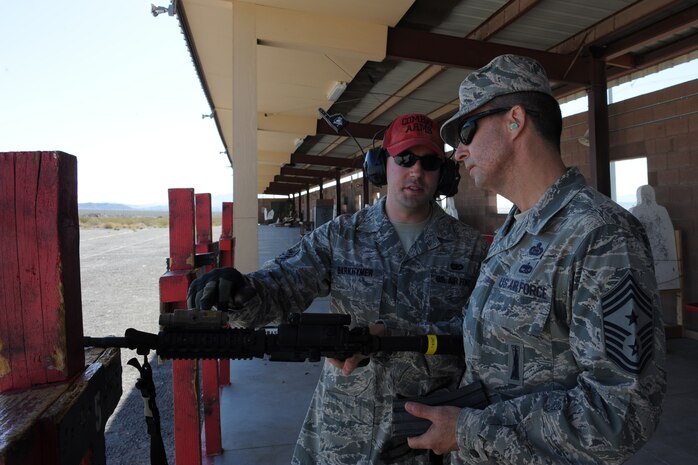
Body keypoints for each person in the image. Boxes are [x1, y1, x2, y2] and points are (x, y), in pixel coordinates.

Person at [404, 55, 667, 464]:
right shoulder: (515, 230)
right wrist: (387, 341)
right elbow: (493, 343)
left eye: (467, 131)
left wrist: (470, 430)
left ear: (515, 121)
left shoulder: (600, 235)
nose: (458, 152)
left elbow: (622, 413)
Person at [188, 113, 489, 464]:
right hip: (344, 429)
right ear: (381, 166)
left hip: (430, 433)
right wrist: (240, 294)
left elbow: (484, 332)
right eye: (405, 158)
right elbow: (283, 284)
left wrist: (396, 336)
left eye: (430, 161)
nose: (416, 171)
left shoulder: (470, 248)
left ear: (444, 174)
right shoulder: (341, 235)